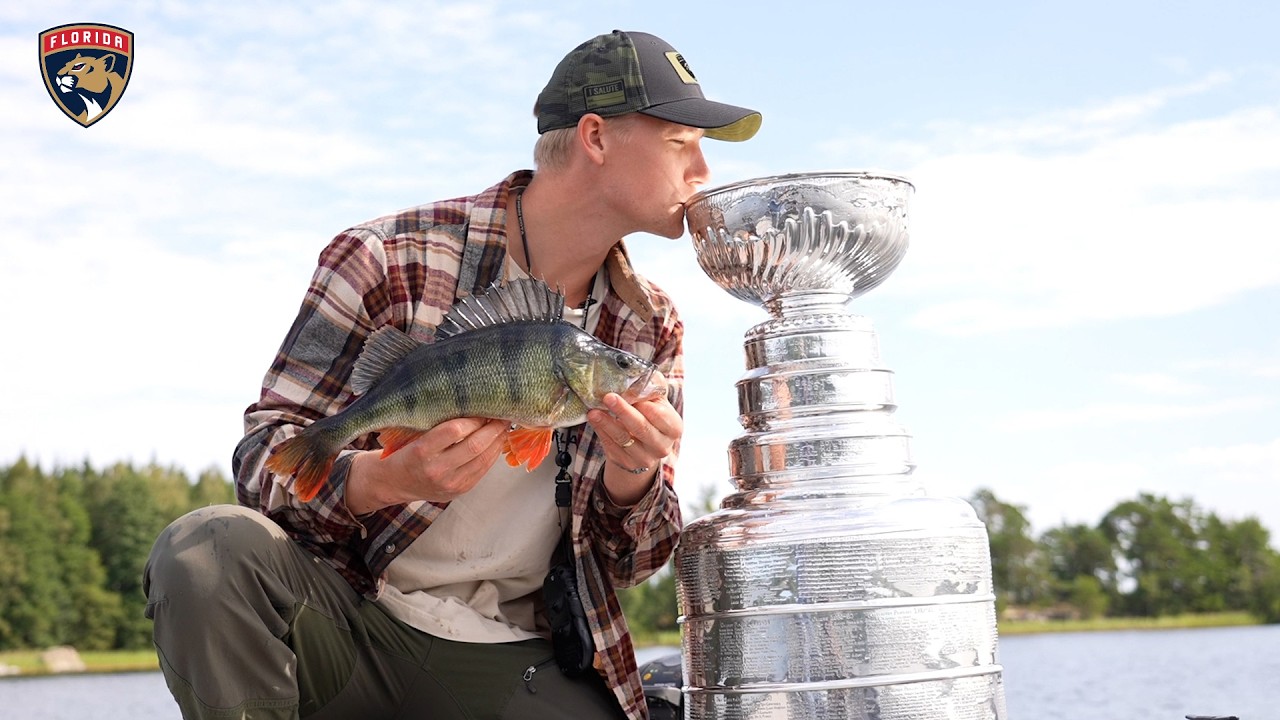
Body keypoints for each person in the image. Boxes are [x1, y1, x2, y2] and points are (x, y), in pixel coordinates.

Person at [143, 29, 760, 720]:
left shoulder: (648, 326)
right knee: (205, 550)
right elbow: (264, 462)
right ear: (595, 137)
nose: (703, 168)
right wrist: (382, 480)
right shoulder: (384, 257)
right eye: (681, 141)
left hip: (518, 657)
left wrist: (633, 475)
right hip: (356, 626)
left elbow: (634, 564)